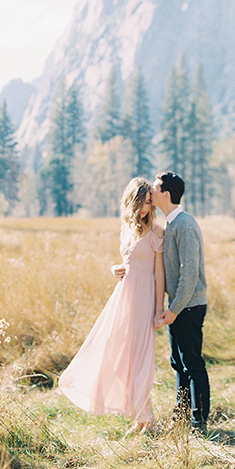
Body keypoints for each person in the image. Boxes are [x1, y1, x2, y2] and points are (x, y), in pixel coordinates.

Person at [58, 177, 165, 432]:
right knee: (116, 353)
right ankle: (140, 415)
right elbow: (126, 261)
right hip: (124, 295)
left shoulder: (157, 232)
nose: (145, 208)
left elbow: (159, 273)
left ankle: (145, 418)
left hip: (144, 296)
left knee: (139, 356)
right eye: (142, 202)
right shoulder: (126, 228)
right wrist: (114, 269)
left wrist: (159, 308)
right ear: (132, 201)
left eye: (149, 203)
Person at [153, 171, 210, 434]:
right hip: (179, 306)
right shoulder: (172, 223)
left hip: (188, 306)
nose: (150, 193)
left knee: (192, 364)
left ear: (166, 194)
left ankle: (199, 423)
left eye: (154, 189)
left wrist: (174, 309)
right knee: (179, 363)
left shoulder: (184, 224)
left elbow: (189, 272)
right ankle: (181, 416)